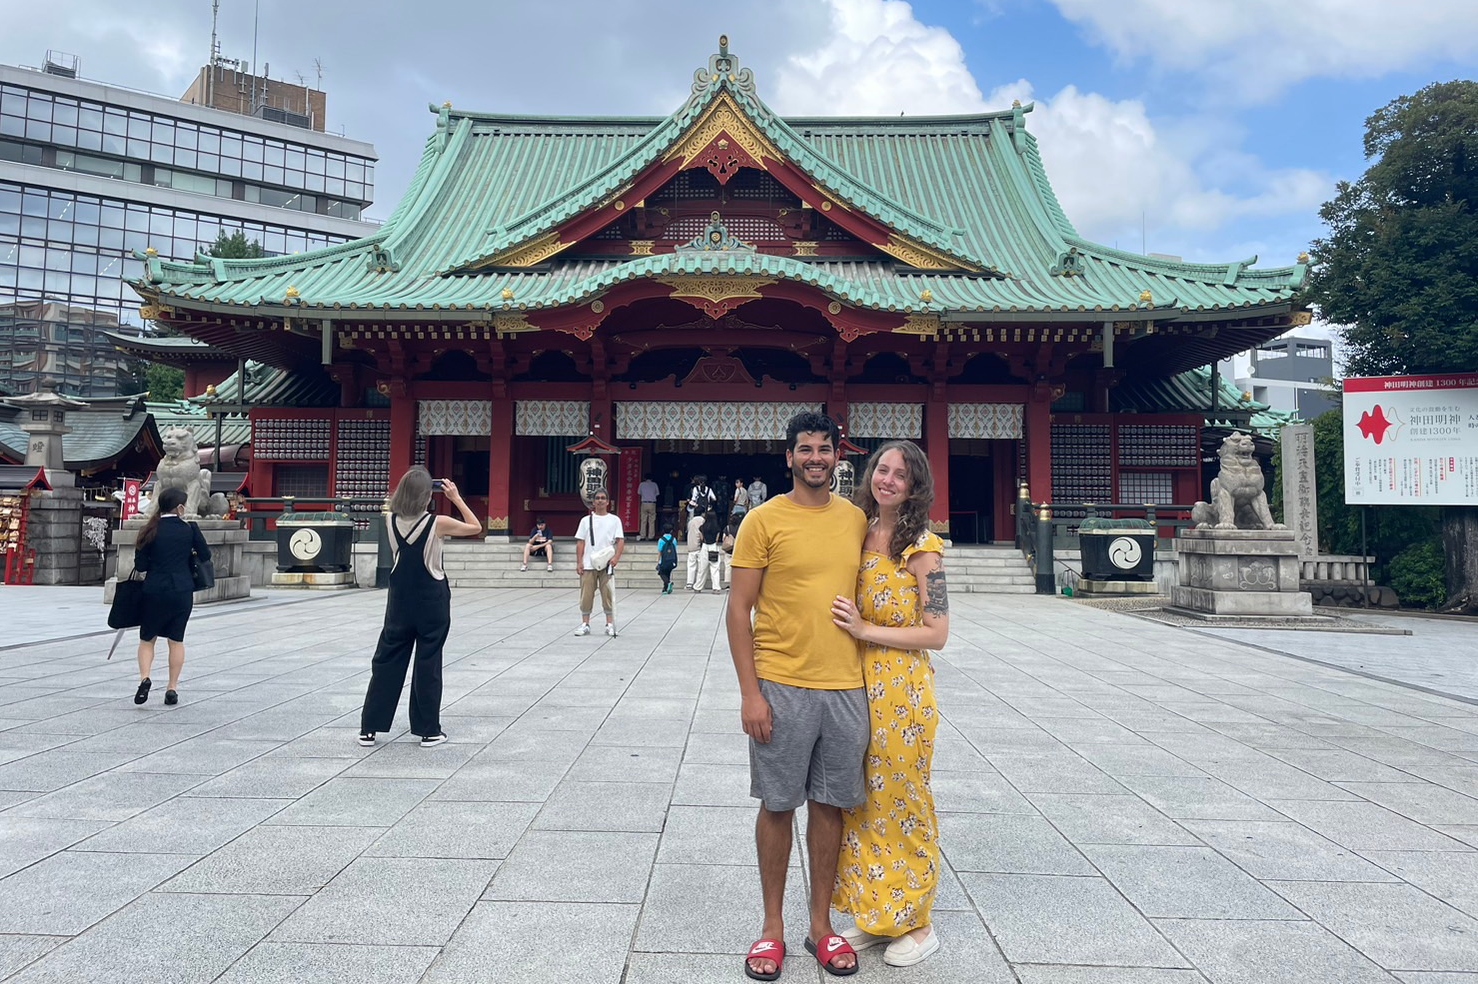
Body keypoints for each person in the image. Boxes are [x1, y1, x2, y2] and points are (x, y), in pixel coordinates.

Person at [727, 411, 869, 980]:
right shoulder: (762, 520)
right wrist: (750, 694)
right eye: (805, 449)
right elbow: (739, 609)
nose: (816, 458)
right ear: (788, 457)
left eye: (825, 449)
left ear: (839, 456)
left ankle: (819, 926)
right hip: (781, 682)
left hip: (845, 685)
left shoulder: (858, 519)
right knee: (778, 803)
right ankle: (771, 929)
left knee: (831, 805)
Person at [829, 441, 950, 967]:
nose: (888, 479)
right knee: (862, 801)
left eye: (901, 474)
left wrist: (864, 629)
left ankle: (918, 922)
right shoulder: (857, 532)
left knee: (904, 799)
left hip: (902, 690)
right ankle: (877, 914)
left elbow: (938, 632)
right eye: (883, 469)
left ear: (915, 485)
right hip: (856, 684)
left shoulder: (923, 547)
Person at [358, 468, 481, 747]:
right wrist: (457, 498)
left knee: (386, 661)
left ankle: (369, 727)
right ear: (427, 496)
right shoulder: (438, 523)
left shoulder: (389, 520)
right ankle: (428, 730)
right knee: (428, 663)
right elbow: (475, 527)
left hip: (400, 601)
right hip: (431, 601)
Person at [131, 486, 210, 706]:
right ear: (180, 508)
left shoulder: (148, 530)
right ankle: (172, 688)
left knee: (147, 639)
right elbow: (206, 555)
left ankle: (145, 677)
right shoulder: (190, 529)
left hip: (154, 589)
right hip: (182, 590)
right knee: (176, 640)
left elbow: (140, 565)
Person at [574, 488, 624, 637]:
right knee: (586, 594)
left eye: (603, 498)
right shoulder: (585, 521)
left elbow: (620, 541)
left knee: (607, 593)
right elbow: (580, 542)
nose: (600, 501)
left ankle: (609, 623)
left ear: (608, 502)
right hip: (589, 563)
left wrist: (616, 558)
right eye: (598, 498)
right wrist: (579, 562)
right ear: (593, 502)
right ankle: (585, 623)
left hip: (606, 563)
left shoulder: (614, 520)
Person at [685, 506, 709, 591]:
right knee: (701, 566)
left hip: (691, 545)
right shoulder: (702, 521)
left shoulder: (690, 521)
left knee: (691, 565)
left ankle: (689, 583)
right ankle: (699, 583)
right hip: (699, 546)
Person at [701, 508, 723, 594]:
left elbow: (702, 537)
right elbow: (717, 539)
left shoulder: (702, 527)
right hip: (713, 546)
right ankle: (716, 587)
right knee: (715, 568)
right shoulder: (717, 527)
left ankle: (698, 586)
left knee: (702, 568)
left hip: (705, 546)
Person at [655, 525, 679, 594]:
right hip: (672, 559)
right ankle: (665, 589)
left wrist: (658, 561)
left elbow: (660, 551)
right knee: (668, 573)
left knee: (661, 573)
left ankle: (668, 583)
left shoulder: (661, 540)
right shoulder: (674, 539)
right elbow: (675, 549)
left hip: (664, 560)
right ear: (671, 531)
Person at [718, 515, 739, 590]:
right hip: (737, 550)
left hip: (728, 550)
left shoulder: (727, 528)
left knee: (727, 567)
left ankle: (727, 583)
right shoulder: (740, 528)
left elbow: (724, 537)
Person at [638, 473, 660, 540]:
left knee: (643, 520)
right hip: (652, 503)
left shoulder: (642, 484)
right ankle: (651, 536)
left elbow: (639, 492)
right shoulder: (654, 484)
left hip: (644, 503)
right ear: (652, 478)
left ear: (645, 478)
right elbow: (657, 493)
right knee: (652, 520)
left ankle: (642, 536)